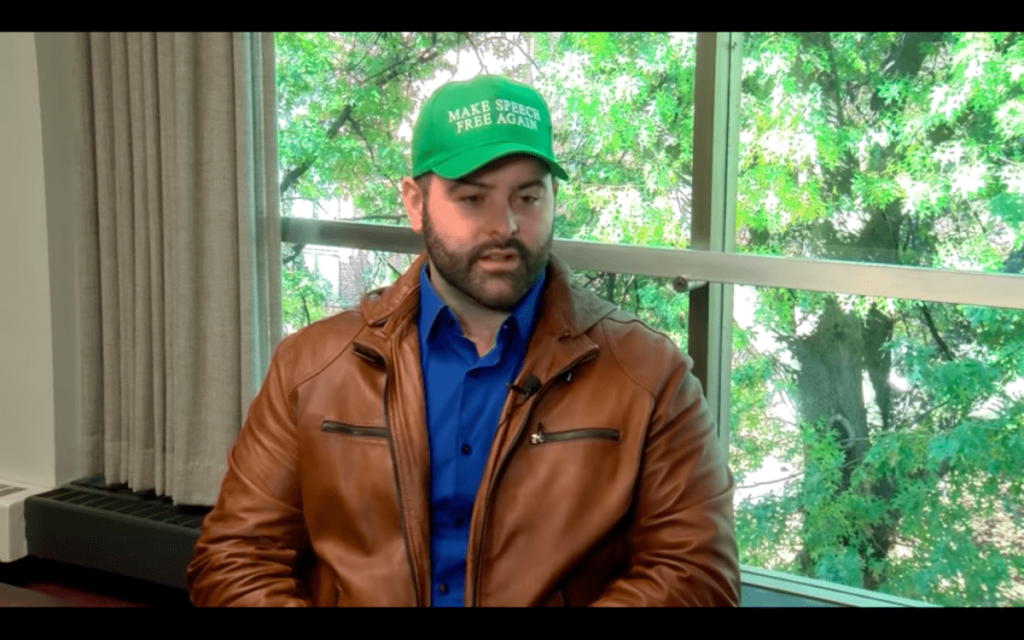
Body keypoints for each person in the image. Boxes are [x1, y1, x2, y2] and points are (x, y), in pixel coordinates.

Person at [186, 75, 740, 607]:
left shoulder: (649, 375)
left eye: (527, 198)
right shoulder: (311, 366)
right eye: (472, 199)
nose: (505, 226)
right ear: (414, 202)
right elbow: (235, 556)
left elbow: (696, 575)